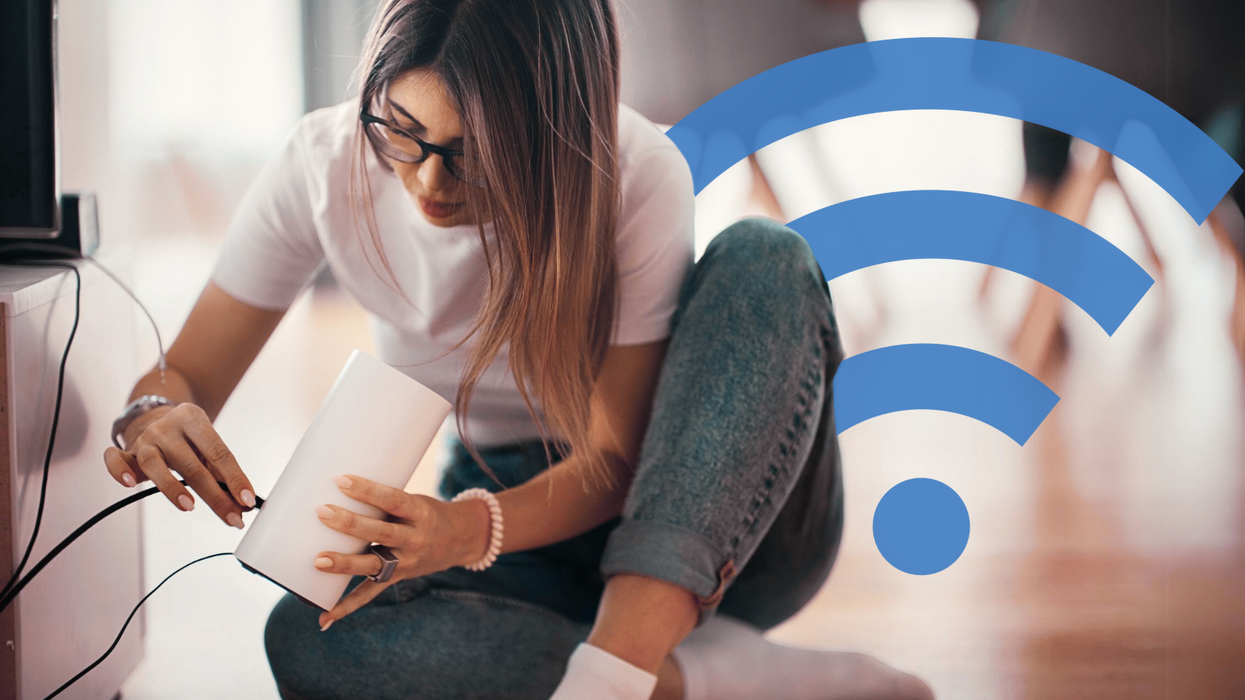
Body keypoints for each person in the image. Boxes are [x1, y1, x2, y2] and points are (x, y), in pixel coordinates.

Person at [101, 1, 934, 698]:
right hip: (511, 521)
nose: (429, 183)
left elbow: (615, 459)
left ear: (552, 131)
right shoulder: (324, 165)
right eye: (403, 132)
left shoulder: (633, 169)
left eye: (474, 154)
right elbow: (188, 373)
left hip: (715, 516)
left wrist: (466, 531)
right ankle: (704, 676)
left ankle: (618, 669)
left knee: (764, 254)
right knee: (311, 637)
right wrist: (152, 414)